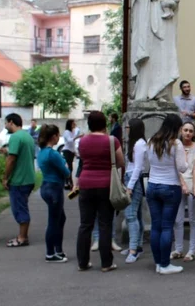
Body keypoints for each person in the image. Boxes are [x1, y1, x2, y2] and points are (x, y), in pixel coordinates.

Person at [76, 111, 125, 272]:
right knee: (105, 224)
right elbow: (120, 161)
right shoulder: (112, 141)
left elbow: (82, 160)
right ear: (105, 123)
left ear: (89, 124)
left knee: (85, 224)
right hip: (106, 185)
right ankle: (106, 263)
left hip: (85, 183)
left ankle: (83, 262)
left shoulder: (82, 141)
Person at [146, 114, 188, 275]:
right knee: (166, 227)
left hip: (152, 186)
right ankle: (165, 265)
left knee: (156, 227)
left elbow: (149, 162)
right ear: (176, 127)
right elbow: (182, 168)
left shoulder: (152, 140)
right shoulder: (176, 143)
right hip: (170, 187)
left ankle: (158, 262)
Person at [37, 124, 71, 263]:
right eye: (58, 135)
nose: (59, 138)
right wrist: (66, 166)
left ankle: (58, 250)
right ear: (53, 137)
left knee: (60, 218)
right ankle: (50, 253)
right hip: (54, 187)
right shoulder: (53, 154)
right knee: (53, 221)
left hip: (46, 185)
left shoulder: (42, 152)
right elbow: (66, 172)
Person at [171, 121, 195, 262]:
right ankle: (178, 249)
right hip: (178, 184)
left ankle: (192, 250)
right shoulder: (175, 146)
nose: (188, 133)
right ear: (180, 131)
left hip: (193, 185)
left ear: (194, 133)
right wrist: (182, 183)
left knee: (193, 218)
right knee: (177, 219)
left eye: (191, 131)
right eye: (185, 130)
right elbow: (174, 167)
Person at [3, 113, 36, 248]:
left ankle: (22, 238)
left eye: (6, 123)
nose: (5, 126)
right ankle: (22, 236)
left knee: (19, 208)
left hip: (19, 180)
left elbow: (12, 159)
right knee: (22, 206)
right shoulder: (27, 136)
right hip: (29, 178)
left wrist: (5, 177)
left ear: (11, 122)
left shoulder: (15, 137)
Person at [124, 118, 148, 263]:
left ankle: (133, 250)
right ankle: (136, 246)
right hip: (131, 179)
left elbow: (138, 168)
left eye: (128, 126)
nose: (127, 129)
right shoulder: (136, 143)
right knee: (137, 214)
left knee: (131, 215)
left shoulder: (139, 144)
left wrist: (130, 186)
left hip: (134, 180)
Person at [62, 119, 83, 190]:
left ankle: (68, 182)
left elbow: (73, 144)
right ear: (70, 124)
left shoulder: (73, 131)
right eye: (73, 123)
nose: (74, 124)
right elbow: (70, 140)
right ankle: (68, 182)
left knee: (70, 167)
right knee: (69, 167)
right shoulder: (66, 132)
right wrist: (78, 136)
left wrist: (76, 152)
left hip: (71, 151)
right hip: (67, 150)